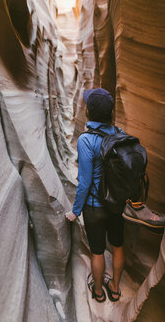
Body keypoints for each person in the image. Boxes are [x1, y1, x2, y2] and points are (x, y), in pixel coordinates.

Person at [65, 88, 125, 303]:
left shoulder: (86, 140)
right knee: (118, 246)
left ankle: (98, 292)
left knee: (98, 252)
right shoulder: (118, 134)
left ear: (89, 112)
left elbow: (85, 182)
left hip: (94, 206)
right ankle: (116, 289)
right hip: (116, 204)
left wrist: (75, 211)